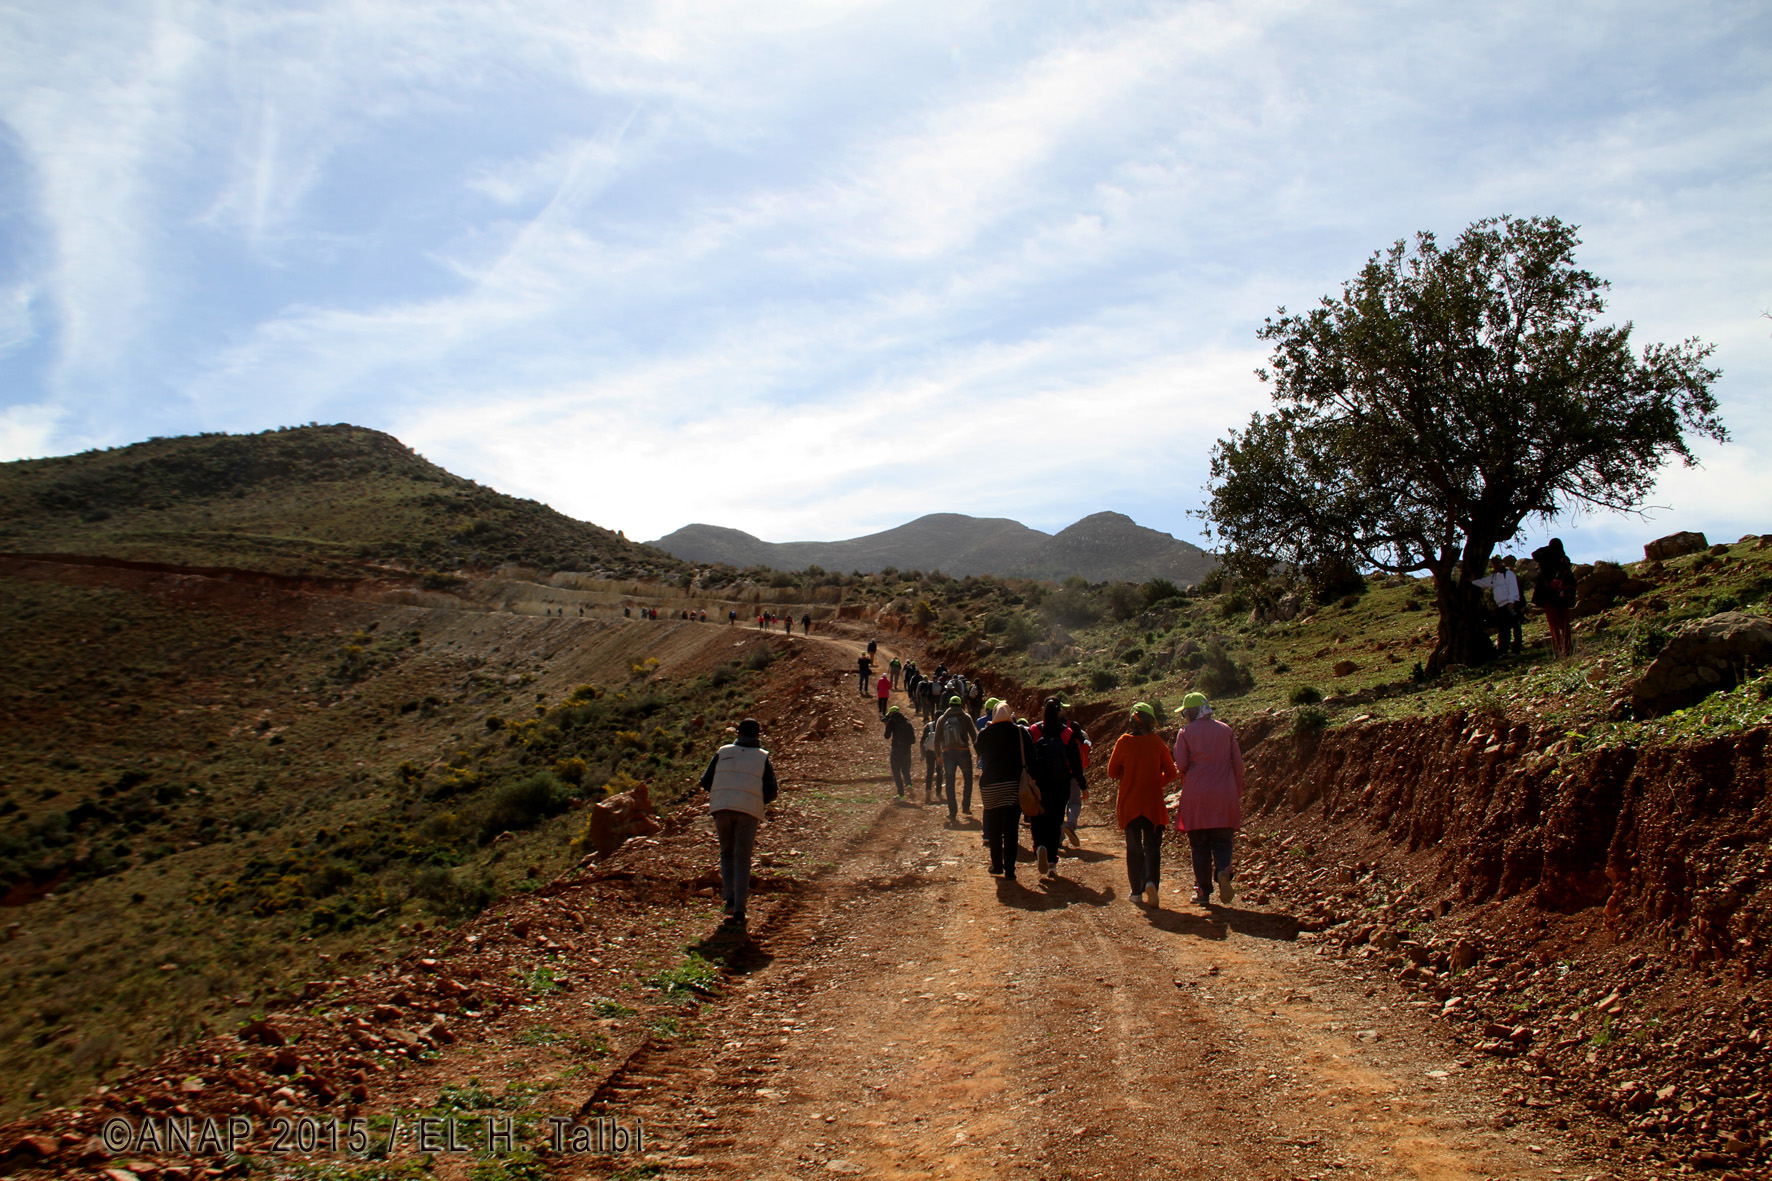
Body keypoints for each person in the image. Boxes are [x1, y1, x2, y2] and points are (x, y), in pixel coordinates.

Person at [698, 718, 779, 925]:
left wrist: (723, 792)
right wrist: (757, 801)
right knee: (743, 857)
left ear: (739, 734)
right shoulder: (763, 757)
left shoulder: (723, 752)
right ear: (758, 736)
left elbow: (706, 782)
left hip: (722, 808)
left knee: (726, 852)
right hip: (748, 810)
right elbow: (771, 789)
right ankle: (740, 910)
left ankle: (729, 897)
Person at [1171, 692, 1246, 908]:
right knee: (1223, 840)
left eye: (1185, 712)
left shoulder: (1185, 732)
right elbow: (1238, 766)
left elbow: (1182, 764)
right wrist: (1236, 792)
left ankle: (1202, 891)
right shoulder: (1226, 730)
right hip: (1225, 794)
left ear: (1192, 712)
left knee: (1199, 845)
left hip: (1197, 796)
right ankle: (1223, 869)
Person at [1107, 702, 1178, 907]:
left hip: (1129, 803)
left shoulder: (1123, 742)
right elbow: (1171, 773)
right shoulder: (1157, 742)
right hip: (1153, 804)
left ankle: (1136, 892)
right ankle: (1151, 883)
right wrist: (1157, 780)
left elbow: (1112, 772)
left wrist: (1129, 777)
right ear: (1150, 722)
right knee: (1152, 848)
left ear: (1132, 721)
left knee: (1134, 849)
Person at [1025, 697, 1086, 878]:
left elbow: (1028, 757)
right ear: (1059, 712)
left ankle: (1039, 847)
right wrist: (1083, 785)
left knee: (1037, 818)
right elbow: (1076, 762)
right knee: (1056, 820)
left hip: (1039, 783)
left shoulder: (1034, 730)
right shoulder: (1067, 733)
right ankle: (1051, 861)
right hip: (1061, 783)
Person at [975, 702, 1032, 880]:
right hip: (1013, 785)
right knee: (1010, 829)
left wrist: (988, 729)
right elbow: (1031, 756)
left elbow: (978, 749)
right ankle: (1010, 869)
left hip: (990, 786)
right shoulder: (1021, 732)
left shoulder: (986, 733)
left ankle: (996, 865)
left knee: (994, 827)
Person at [1531, 538, 1576, 658]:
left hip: (1547, 595)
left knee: (1554, 624)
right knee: (1565, 623)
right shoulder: (1564, 559)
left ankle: (1559, 649)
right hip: (1562, 595)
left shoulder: (1545, 557)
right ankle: (1568, 648)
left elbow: (1534, 554)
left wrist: (1547, 548)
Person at [935, 695, 977, 821]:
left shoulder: (942, 719)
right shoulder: (966, 717)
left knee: (949, 782)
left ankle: (952, 812)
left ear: (949, 705)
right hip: (963, 752)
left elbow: (937, 739)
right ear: (960, 705)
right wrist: (979, 753)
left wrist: (938, 755)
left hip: (948, 753)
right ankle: (966, 807)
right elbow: (974, 737)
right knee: (968, 779)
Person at [1474, 554, 1523, 656]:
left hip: (1510, 604)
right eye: (1494, 563)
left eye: (1498, 562)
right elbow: (1484, 582)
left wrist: (1511, 602)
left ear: (1502, 562)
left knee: (1516, 627)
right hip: (1501, 606)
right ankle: (1503, 651)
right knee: (1503, 629)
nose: (1496, 565)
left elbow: (1513, 588)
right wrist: (1473, 581)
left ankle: (1516, 650)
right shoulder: (1494, 577)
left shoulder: (1508, 574)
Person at [882, 705, 916, 798]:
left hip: (897, 749)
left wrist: (887, 726)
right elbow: (913, 740)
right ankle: (909, 784)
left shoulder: (892, 721)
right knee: (905, 769)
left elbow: (886, 736)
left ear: (891, 713)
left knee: (896, 771)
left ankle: (901, 794)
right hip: (907, 749)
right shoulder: (907, 721)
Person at [919, 714, 940, 803]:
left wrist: (922, 753)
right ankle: (938, 792)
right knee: (940, 772)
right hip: (940, 752)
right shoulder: (944, 725)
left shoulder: (929, 726)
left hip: (930, 752)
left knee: (929, 772)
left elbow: (922, 740)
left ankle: (928, 791)